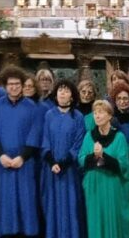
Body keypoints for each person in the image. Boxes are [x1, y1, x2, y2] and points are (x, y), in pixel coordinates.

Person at [0, 68, 41, 238]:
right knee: (6, 204)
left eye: (17, 84)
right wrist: (1, 155)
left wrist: (22, 157)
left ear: (22, 85)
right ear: (5, 86)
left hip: (24, 164)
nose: (14, 87)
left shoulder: (32, 107)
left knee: (26, 204)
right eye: (10, 84)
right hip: (3, 164)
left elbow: (35, 133)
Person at [78, 98, 129, 238]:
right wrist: (93, 156)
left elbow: (124, 165)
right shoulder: (89, 136)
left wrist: (103, 156)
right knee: (96, 221)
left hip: (112, 186)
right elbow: (81, 159)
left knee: (112, 220)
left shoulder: (119, 137)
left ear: (109, 116)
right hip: (94, 186)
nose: (97, 115)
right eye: (95, 112)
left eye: (101, 112)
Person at [41, 79, 86, 238]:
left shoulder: (78, 117)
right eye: (60, 90)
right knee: (53, 207)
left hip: (70, 171)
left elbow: (78, 143)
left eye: (66, 90)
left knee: (71, 207)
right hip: (51, 171)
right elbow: (45, 140)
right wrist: (52, 162)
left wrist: (64, 162)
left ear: (72, 96)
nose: (62, 93)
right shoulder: (49, 115)